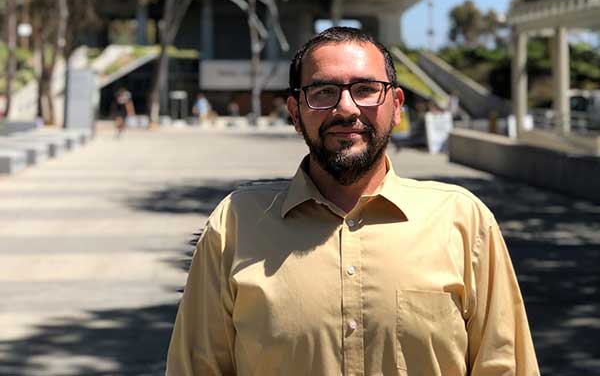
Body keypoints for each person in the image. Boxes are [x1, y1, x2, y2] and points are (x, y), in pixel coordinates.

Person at [166, 27, 539, 375]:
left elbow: (506, 365)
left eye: (366, 89)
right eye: (323, 92)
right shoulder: (235, 225)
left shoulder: (461, 221)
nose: (346, 108)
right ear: (295, 113)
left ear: (396, 105)